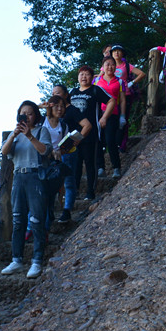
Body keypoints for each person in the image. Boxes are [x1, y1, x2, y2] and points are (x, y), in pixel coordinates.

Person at [0, 101, 53, 278]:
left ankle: (37, 261)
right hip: (18, 177)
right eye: (23, 113)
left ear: (36, 115)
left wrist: (30, 136)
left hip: (35, 176)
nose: (26, 116)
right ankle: (17, 260)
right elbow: (5, 152)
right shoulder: (16, 135)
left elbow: (45, 151)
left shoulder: (40, 131)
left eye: (30, 113)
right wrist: (14, 135)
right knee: (18, 220)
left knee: (37, 220)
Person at [48, 84, 93, 221]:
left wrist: (76, 140)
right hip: (51, 154)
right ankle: (50, 212)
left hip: (68, 151)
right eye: (53, 93)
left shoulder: (71, 110)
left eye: (59, 93)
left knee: (68, 182)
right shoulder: (47, 116)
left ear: (66, 95)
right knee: (51, 184)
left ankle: (66, 211)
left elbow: (87, 125)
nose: (56, 95)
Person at [68, 66, 114, 201]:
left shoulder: (95, 90)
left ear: (92, 77)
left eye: (87, 74)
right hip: (72, 134)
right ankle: (74, 192)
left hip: (90, 133)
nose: (84, 77)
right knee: (76, 163)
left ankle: (90, 192)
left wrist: (104, 117)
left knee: (89, 163)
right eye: (81, 74)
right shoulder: (73, 92)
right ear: (78, 77)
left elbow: (111, 101)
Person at [93, 57, 127, 178]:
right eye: (107, 64)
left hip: (113, 114)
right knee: (98, 140)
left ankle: (116, 168)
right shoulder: (96, 81)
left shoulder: (120, 81)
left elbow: (122, 100)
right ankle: (100, 167)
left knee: (110, 140)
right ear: (103, 67)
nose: (110, 67)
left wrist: (123, 116)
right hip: (98, 113)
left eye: (112, 65)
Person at [110, 45, 145, 153]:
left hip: (126, 95)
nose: (116, 53)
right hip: (111, 95)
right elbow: (100, 77)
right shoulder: (108, 65)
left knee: (123, 119)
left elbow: (141, 74)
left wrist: (131, 83)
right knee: (112, 120)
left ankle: (123, 144)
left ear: (122, 54)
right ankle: (114, 144)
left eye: (119, 51)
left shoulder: (127, 66)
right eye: (114, 51)